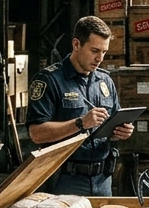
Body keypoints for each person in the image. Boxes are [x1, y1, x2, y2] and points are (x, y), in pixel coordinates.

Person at [27, 15, 134, 194]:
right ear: (76, 45)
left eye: (104, 52)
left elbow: (113, 123)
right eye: (94, 51)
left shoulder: (105, 81)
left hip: (103, 178)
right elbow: (36, 134)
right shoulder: (49, 80)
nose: (100, 58)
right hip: (65, 179)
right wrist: (80, 123)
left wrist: (121, 131)